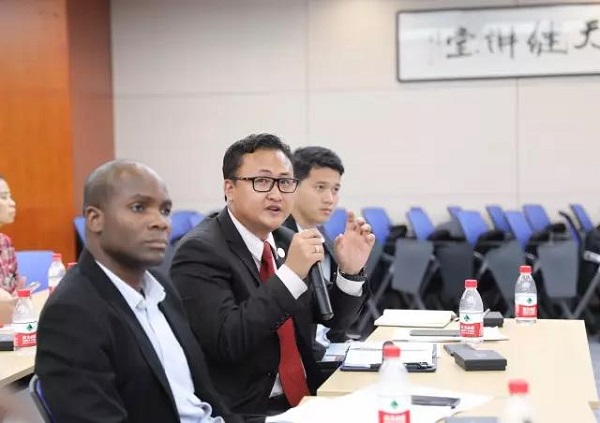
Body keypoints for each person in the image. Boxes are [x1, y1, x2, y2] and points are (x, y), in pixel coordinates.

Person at [171, 133, 375, 415]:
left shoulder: (286, 239)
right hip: (250, 410)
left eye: (285, 182)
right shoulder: (200, 251)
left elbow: (333, 320)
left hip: (307, 398)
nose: (277, 194)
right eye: (262, 181)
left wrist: (349, 272)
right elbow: (227, 342)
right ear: (230, 188)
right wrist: (290, 276)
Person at [35, 160, 254, 423]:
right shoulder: (72, 314)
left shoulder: (162, 289)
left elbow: (207, 399)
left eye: (165, 210)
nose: (160, 222)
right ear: (95, 219)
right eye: (139, 207)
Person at [282, 146, 352, 357]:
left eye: (335, 190)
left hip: (330, 349)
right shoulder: (276, 240)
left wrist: (352, 271)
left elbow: (335, 319)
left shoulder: (324, 238)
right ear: (293, 186)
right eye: (320, 187)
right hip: (305, 358)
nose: (330, 198)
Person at [0, 174, 19, 295]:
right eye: (4, 197)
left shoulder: (5, 242)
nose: (12, 203)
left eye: (10, 197)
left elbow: (13, 286)